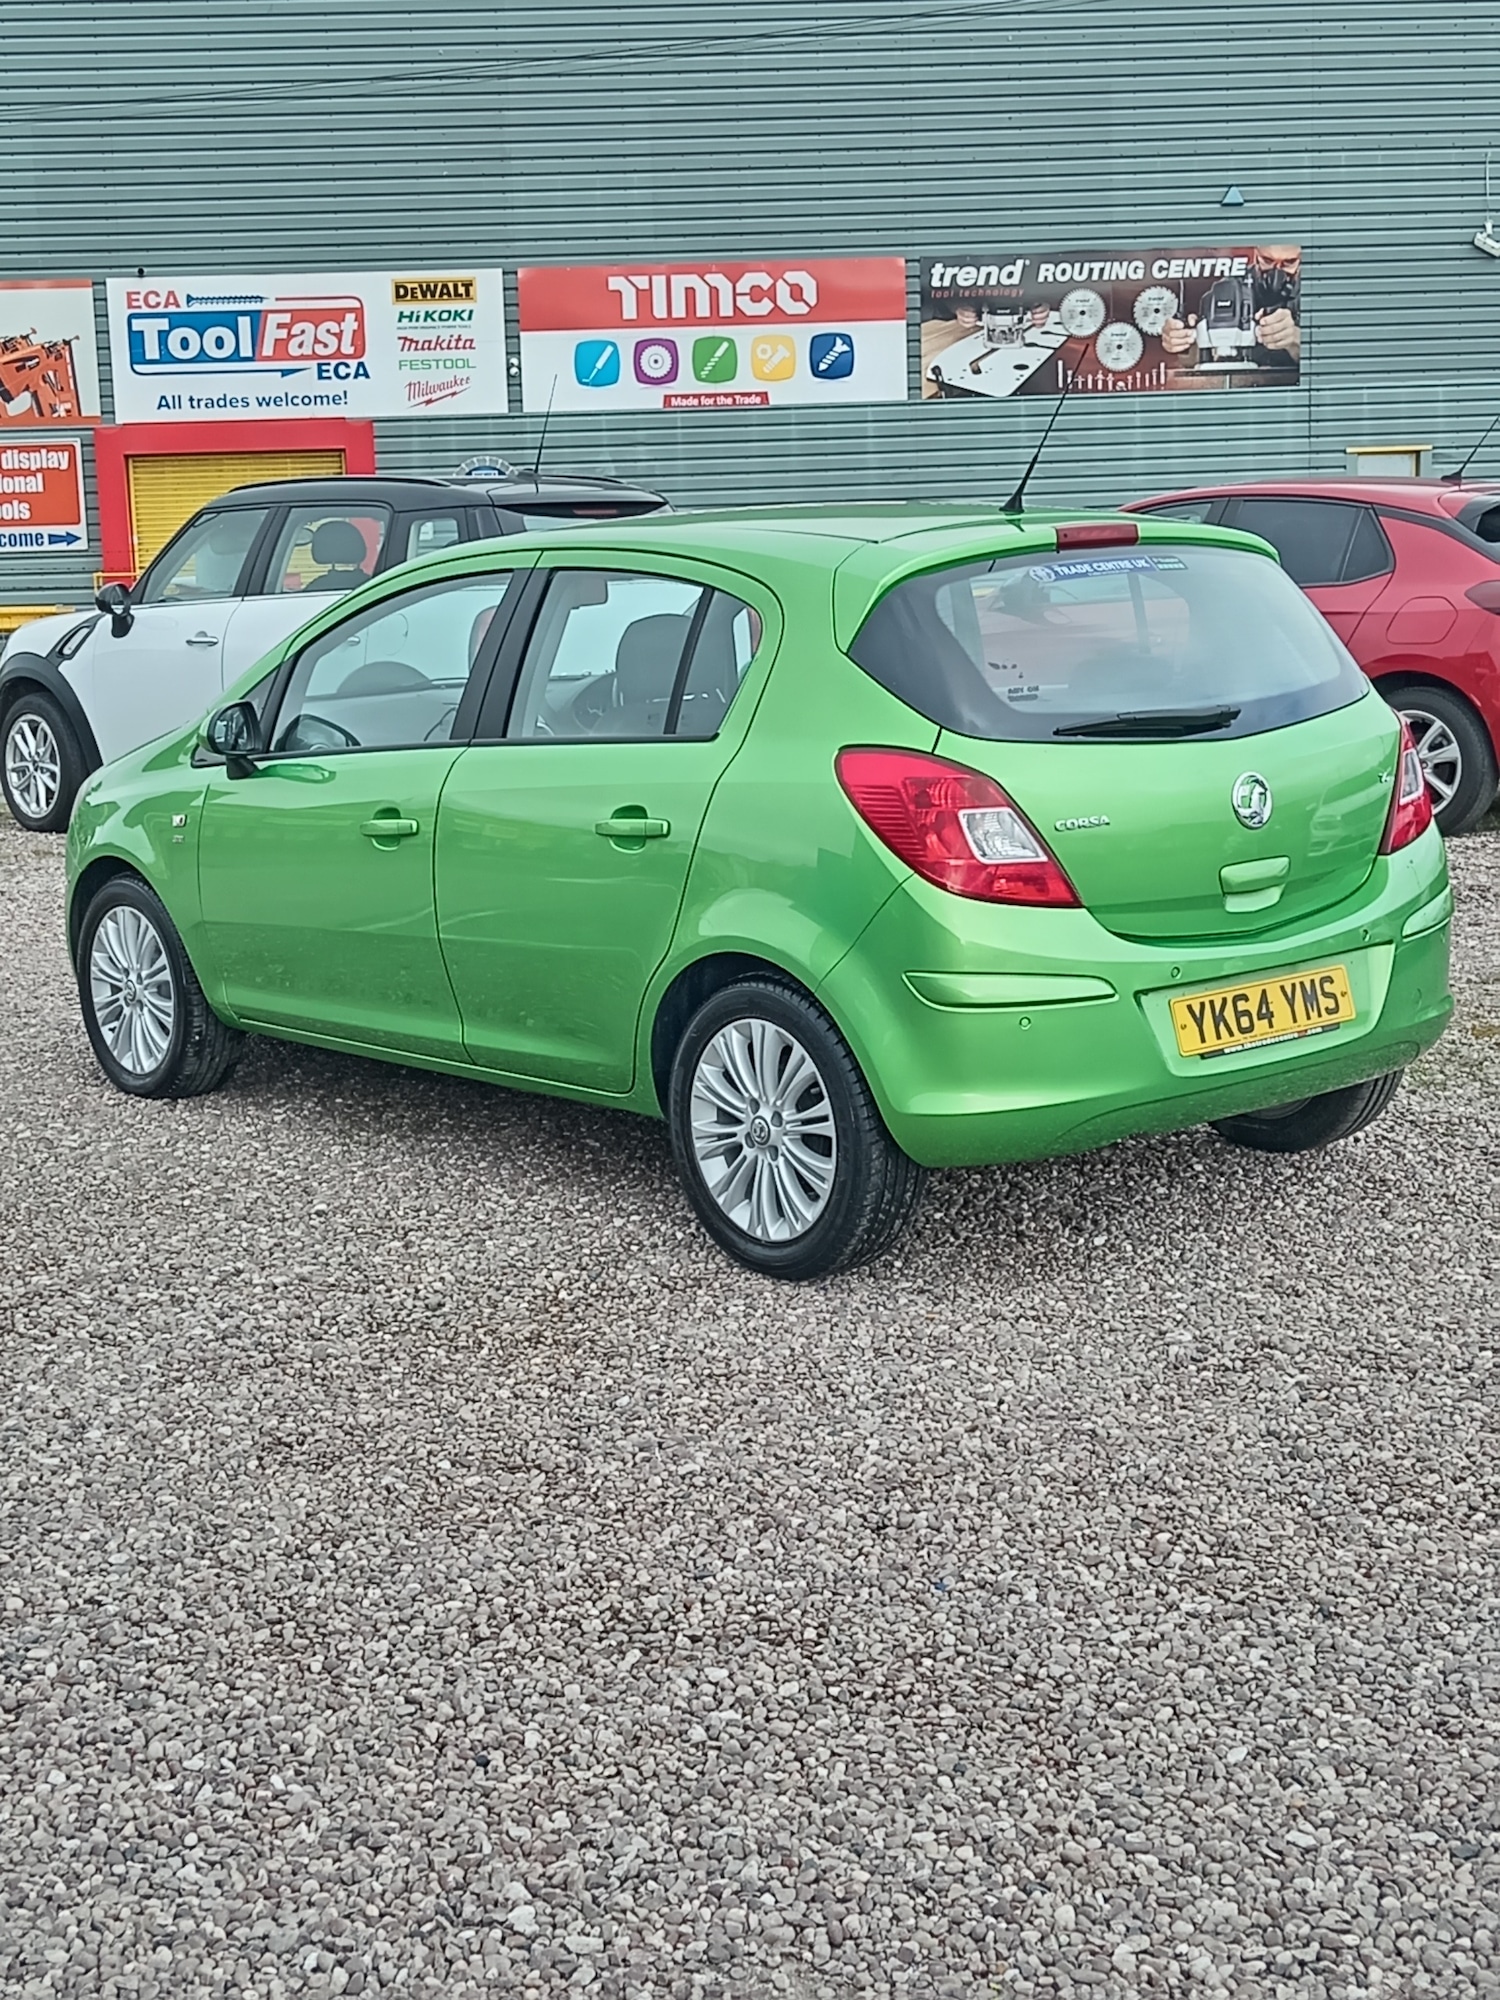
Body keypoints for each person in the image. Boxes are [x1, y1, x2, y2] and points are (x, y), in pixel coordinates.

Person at [1161, 245, 1301, 369]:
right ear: (1255, 254)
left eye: (1289, 263)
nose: (1276, 273)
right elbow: (1194, 361)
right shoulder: (1230, 287)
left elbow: (1321, 359)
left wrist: (1295, 338)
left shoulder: (1318, 291)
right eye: (1267, 261)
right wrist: (1184, 341)